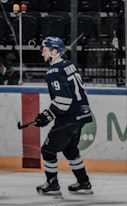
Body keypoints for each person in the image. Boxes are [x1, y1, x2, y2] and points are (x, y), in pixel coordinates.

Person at [33, 36, 94, 196]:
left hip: (68, 118)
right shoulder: (69, 65)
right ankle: (83, 181)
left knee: (47, 151)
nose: (42, 54)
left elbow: (64, 99)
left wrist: (47, 115)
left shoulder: (54, 71)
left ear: (54, 51)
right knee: (70, 149)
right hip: (81, 114)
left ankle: (52, 183)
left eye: (45, 50)